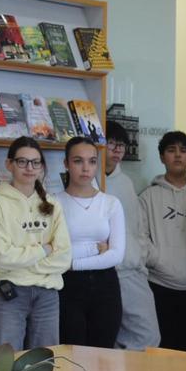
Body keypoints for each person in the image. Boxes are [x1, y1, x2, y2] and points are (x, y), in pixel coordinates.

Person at [0, 136, 72, 351]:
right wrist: (44, 249)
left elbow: (64, 259)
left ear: (42, 166)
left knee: (45, 362)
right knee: (5, 364)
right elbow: (2, 258)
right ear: (9, 164)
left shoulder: (52, 204)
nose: (29, 168)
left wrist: (22, 261)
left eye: (35, 162)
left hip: (47, 295)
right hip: (10, 294)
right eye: (22, 161)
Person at [140, 131, 186, 353]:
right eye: (171, 150)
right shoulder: (148, 196)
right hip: (161, 286)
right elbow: (140, 237)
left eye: (183, 150)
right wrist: (159, 260)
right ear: (162, 157)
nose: (178, 155)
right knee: (164, 349)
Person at [52, 137, 125, 348]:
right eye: (78, 161)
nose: (86, 168)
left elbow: (116, 255)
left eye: (92, 161)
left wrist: (72, 262)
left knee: (103, 358)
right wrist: (96, 249)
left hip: (105, 286)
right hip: (66, 287)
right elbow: (54, 253)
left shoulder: (111, 203)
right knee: (72, 356)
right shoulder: (53, 202)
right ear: (66, 164)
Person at [104, 121, 160, 351]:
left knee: (146, 337)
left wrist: (142, 259)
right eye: (112, 143)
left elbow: (138, 228)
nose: (118, 150)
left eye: (122, 145)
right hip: (102, 272)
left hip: (131, 270)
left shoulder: (126, 182)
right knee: (109, 338)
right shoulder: (90, 181)